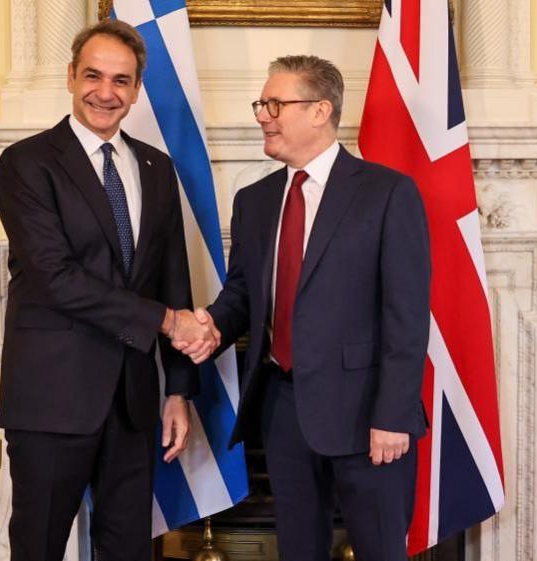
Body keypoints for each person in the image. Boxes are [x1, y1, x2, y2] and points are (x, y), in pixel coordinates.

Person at [182, 55, 431, 561]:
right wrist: (210, 325)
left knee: (382, 550)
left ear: (321, 110)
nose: (262, 115)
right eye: (262, 104)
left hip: (368, 416)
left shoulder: (387, 193)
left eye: (275, 104)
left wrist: (393, 415)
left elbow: (406, 316)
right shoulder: (255, 200)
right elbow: (244, 295)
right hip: (282, 409)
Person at [0, 20, 215, 561]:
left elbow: (173, 280)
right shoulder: (27, 163)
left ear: (137, 90)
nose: (105, 92)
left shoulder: (157, 168)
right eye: (93, 76)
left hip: (133, 403)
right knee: (39, 549)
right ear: (71, 77)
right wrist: (169, 322)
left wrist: (178, 391)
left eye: (121, 81)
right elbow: (58, 278)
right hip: (51, 401)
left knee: (129, 551)